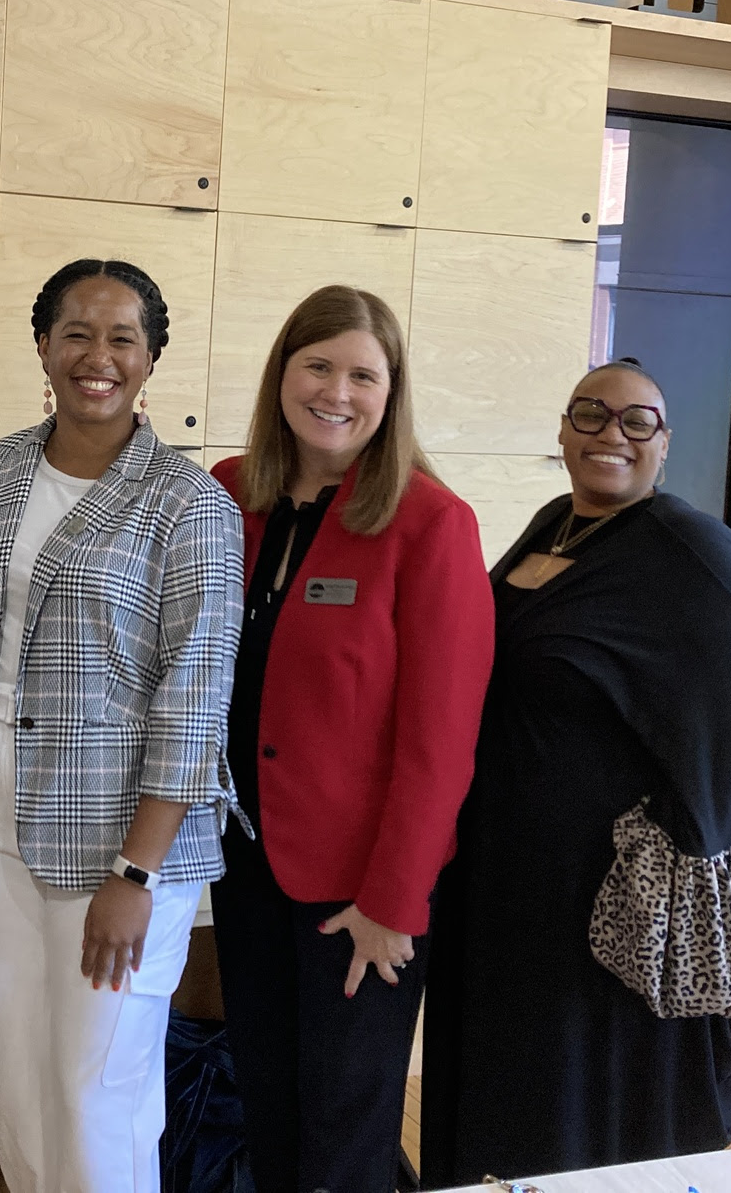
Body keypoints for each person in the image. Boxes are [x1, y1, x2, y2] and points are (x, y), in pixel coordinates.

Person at [418, 359, 731, 1186]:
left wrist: (697, 874)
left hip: (608, 900)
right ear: (565, 431)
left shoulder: (693, 554)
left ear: (665, 443)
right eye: (592, 415)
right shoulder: (554, 526)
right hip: (505, 884)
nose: (613, 434)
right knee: (507, 1081)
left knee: (585, 1106)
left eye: (638, 421)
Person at [0, 258, 243, 1193]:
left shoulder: (191, 506)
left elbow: (194, 703)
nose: (96, 357)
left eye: (122, 339)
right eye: (76, 333)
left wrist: (135, 875)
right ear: (42, 345)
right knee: (24, 1086)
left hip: (117, 852)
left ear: (151, 360)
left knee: (99, 1095)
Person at [207, 286, 494, 1193]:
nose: (337, 392)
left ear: (391, 390)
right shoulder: (227, 492)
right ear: (283, 375)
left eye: (362, 374)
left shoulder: (431, 522)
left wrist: (394, 901)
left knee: (344, 1130)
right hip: (243, 865)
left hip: (360, 892)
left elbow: (441, 740)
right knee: (270, 1102)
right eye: (318, 366)